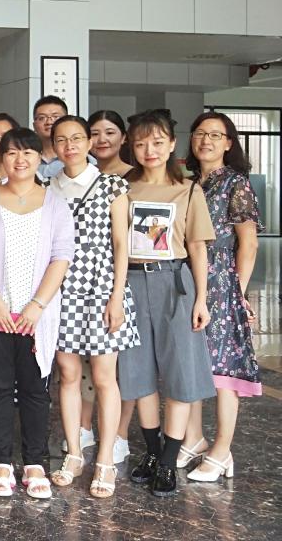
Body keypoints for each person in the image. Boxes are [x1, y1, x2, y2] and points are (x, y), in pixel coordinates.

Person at [118, 110, 216, 497]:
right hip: (131, 282)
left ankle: (170, 459)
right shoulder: (122, 188)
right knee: (138, 372)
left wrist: (202, 298)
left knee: (179, 373)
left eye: (158, 142)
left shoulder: (189, 190)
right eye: (141, 143)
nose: (150, 150)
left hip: (175, 283)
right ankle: (154, 453)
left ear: (172, 144)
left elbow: (197, 248)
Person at [0, 127, 73, 500]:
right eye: (12, 152)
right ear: (1, 157)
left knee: (35, 390)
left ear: (38, 158)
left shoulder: (55, 204)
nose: (20, 160)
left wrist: (37, 306)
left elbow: (61, 257)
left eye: (28, 153)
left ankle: (35, 462)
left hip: (37, 316)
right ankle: (1, 460)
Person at [47, 116, 137, 498]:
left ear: (88, 143)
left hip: (101, 284)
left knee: (103, 376)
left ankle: (104, 459)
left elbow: (121, 244)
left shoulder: (112, 185)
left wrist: (117, 296)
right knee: (68, 374)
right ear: (54, 146)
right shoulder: (48, 186)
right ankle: (74, 453)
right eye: (61, 140)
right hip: (61, 286)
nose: (69, 146)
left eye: (76, 138)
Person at [181, 112, 261, 483]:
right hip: (187, 277)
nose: (206, 140)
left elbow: (248, 242)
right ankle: (193, 438)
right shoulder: (186, 182)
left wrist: (237, 292)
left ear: (229, 143)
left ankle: (222, 450)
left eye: (215, 135)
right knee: (190, 364)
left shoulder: (235, 183)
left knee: (223, 370)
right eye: (200, 133)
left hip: (222, 282)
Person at [32, 96, 70, 181]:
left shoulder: (79, 157)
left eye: (56, 117)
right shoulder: (26, 158)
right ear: (34, 125)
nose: (49, 122)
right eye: (42, 118)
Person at [88, 110, 132, 178]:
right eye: (95, 134)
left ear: (123, 138)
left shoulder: (137, 177)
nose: (102, 140)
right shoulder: (82, 175)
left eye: (109, 133)